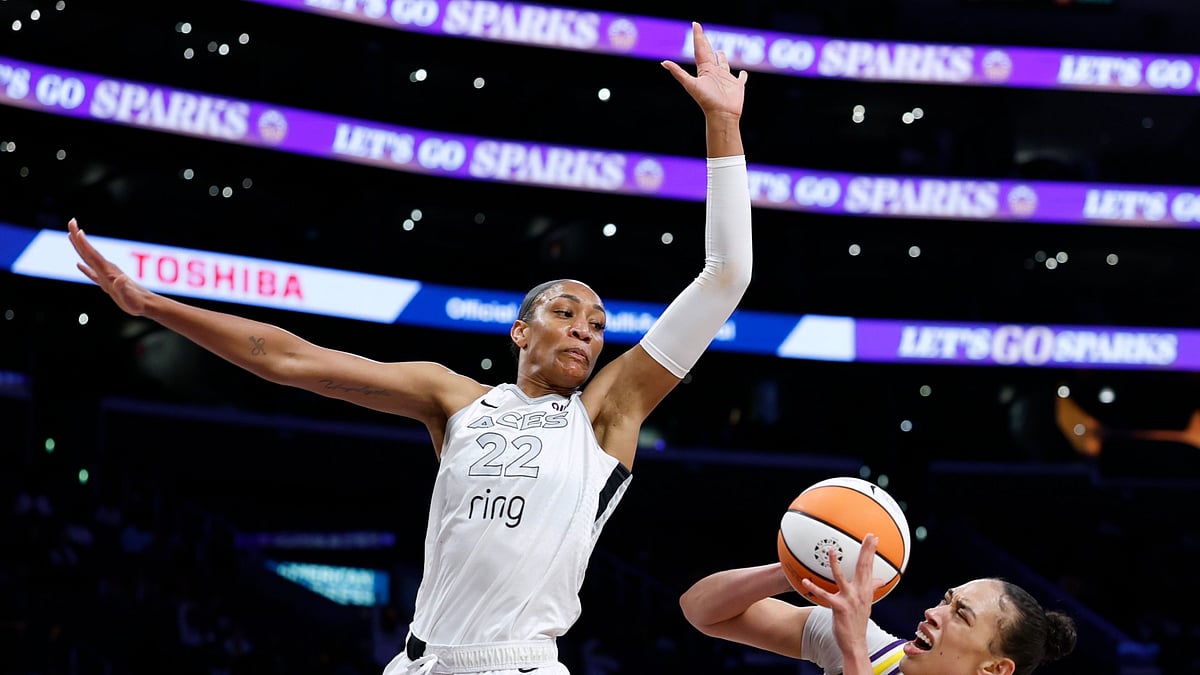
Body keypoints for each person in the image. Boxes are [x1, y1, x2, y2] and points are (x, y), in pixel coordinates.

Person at [68, 21, 751, 675]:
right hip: (418, 659)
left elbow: (726, 276)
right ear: (520, 330)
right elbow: (291, 359)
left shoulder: (605, 414)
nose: (584, 329)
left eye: (597, 324)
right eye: (565, 312)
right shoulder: (453, 398)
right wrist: (154, 306)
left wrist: (722, 122)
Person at [679, 534, 1077, 675]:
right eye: (946, 599)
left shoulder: (858, 648)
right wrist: (795, 571)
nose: (933, 613)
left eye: (961, 615)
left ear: (994, 669)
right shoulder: (877, 653)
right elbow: (700, 610)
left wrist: (852, 647)